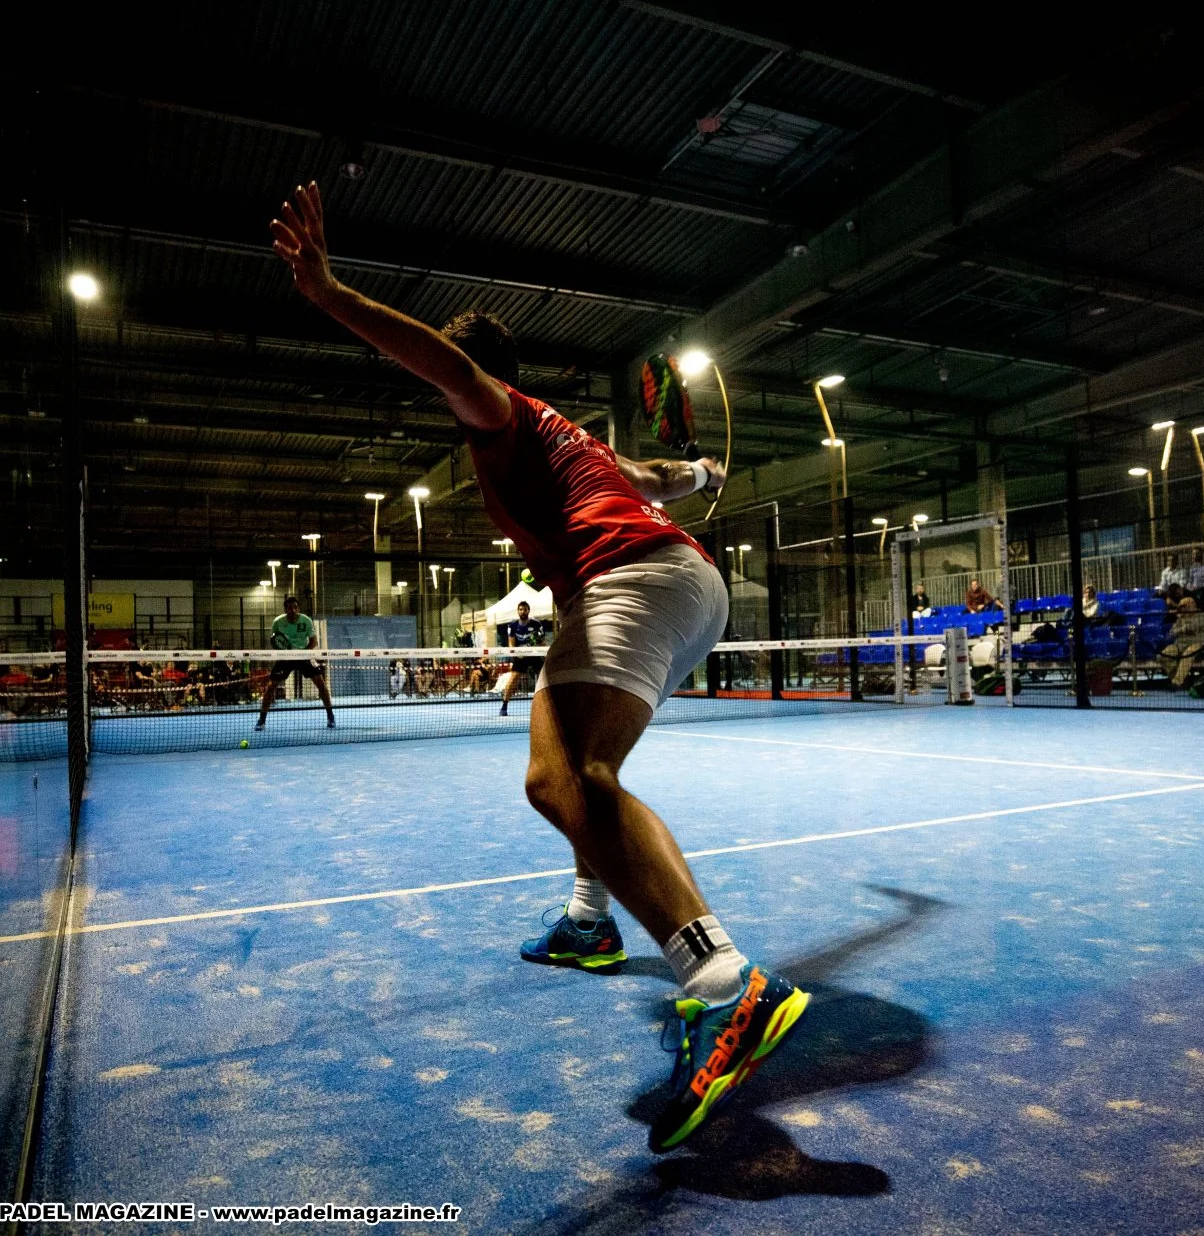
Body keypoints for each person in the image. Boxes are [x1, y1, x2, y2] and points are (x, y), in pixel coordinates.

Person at [272, 181, 804, 1153]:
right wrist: (705, 477)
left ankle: (722, 982)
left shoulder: (500, 411)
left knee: (560, 775)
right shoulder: (581, 438)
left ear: (471, 370)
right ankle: (587, 918)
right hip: (688, 586)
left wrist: (330, 292)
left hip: (629, 584)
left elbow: (438, 359)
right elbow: (659, 478)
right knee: (591, 770)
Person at [255, 594, 336, 730]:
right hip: (285, 658)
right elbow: (274, 641)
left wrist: (304, 652)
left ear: (298, 608)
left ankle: (331, 717)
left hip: (304, 656)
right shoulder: (278, 622)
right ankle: (261, 720)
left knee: (321, 684)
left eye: (295, 607)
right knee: (270, 687)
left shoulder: (306, 621)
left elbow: (314, 641)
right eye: (289, 608)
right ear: (285, 609)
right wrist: (282, 650)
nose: (293, 610)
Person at [497, 600, 548, 715]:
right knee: (513, 679)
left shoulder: (537, 624)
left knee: (542, 679)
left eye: (525, 609)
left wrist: (535, 644)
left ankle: (546, 704)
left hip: (534, 655)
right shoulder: (513, 625)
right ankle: (504, 705)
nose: (523, 611)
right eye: (521, 609)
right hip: (520, 656)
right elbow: (511, 643)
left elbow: (543, 642)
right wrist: (516, 653)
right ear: (518, 611)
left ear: (528, 611)